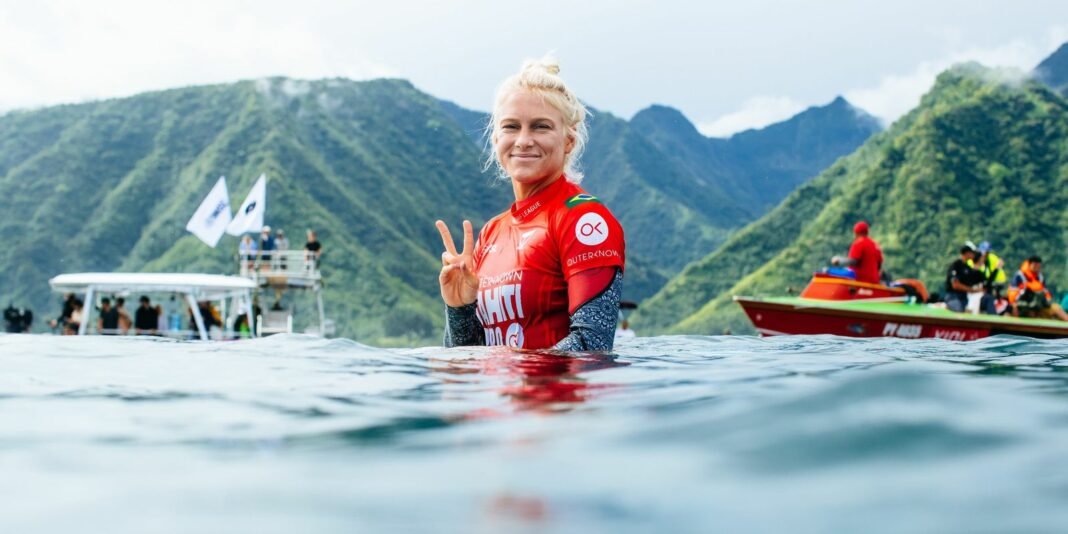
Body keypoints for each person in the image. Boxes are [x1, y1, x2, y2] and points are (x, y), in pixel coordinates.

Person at [436, 56, 626, 351]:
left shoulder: (584, 219)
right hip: (503, 385)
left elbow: (592, 346)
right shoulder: (491, 233)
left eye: (540, 127)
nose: (523, 140)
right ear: (496, 138)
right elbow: (469, 359)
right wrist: (459, 308)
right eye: (511, 126)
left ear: (568, 140)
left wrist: (516, 372)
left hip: (558, 386)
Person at [1009, 256, 1068, 320]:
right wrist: (1015, 302)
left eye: (1038, 266)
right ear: (1029, 264)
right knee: (1026, 312)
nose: (1037, 268)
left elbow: (1045, 292)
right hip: (1023, 304)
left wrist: (1047, 300)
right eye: (1035, 266)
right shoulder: (1020, 275)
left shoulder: (1040, 277)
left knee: (1056, 308)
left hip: (1039, 304)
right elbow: (1013, 292)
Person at [944, 244, 994, 314]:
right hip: (953, 296)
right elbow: (955, 285)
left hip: (965, 297)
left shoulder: (967, 267)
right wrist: (973, 290)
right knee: (959, 310)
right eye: (972, 253)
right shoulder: (956, 265)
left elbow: (977, 276)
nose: (974, 255)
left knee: (987, 300)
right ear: (967, 253)